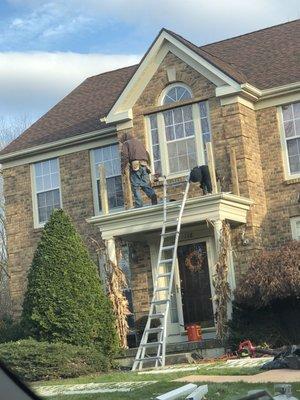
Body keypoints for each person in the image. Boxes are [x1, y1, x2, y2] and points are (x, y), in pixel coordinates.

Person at [121, 132, 158, 208]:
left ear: (124, 139)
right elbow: (147, 154)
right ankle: (152, 195)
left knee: (136, 187)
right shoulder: (139, 142)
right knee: (145, 185)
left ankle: (139, 205)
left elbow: (125, 157)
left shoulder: (126, 143)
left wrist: (123, 169)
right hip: (145, 165)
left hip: (135, 166)